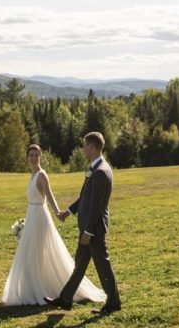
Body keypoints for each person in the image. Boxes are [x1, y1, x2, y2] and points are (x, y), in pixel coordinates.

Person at [0, 144, 107, 307]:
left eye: (37, 155)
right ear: (27, 157)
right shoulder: (32, 174)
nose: (34, 158)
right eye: (31, 155)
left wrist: (58, 212)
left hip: (40, 217)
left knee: (38, 252)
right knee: (31, 253)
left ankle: (47, 290)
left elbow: (49, 195)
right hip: (32, 214)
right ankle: (33, 287)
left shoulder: (42, 175)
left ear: (40, 157)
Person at [45, 132, 122, 315]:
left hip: (93, 230)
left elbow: (96, 206)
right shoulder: (95, 168)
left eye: (85, 146)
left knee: (103, 265)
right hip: (87, 229)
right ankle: (65, 299)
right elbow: (85, 197)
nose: (83, 149)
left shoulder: (101, 172)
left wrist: (88, 231)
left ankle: (113, 303)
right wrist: (69, 211)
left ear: (93, 147)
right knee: (79, 265)